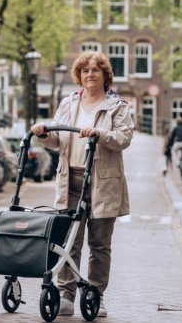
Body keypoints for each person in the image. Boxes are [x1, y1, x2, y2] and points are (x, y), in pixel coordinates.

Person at [31, 51, 134, 318]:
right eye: (85, 70)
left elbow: (123, 138)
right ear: (79, 75)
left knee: (99, 244)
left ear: (105, 76)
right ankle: (66, 295)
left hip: (102, 182)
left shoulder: (117, 106)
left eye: (95, 70)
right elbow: (57, 140)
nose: (90, 74)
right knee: (68, 242)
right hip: (71, 180)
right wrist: (44, 134)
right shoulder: (68, 104)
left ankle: (96, 295)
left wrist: (100, 134)